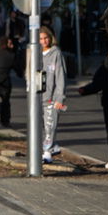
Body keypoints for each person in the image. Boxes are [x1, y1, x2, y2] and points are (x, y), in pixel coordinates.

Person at [37, 25, 67, 163]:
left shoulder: (56, 53)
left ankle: (47, 152)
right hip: (38, 97)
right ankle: (51, 148)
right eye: (41, 39)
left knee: (50, 125)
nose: (44, 41)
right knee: (40, 126)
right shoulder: (35, 52)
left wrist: (60, 97)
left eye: (46, 38)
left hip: (52, 98)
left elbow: (60, 76)